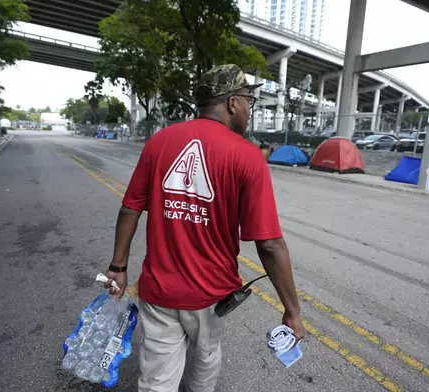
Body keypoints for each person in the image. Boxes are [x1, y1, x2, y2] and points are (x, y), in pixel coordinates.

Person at [104, 64, 305, 392]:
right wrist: (292, 310)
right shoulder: (247, 156)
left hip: (159, 292)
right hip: (210, 295)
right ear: (232, 103)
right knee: (205, 360)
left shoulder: (160, 142)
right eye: (248, 102)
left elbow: (130, 208)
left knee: (157, 381)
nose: (249, 111)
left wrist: (118, 266)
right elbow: (269, 244)